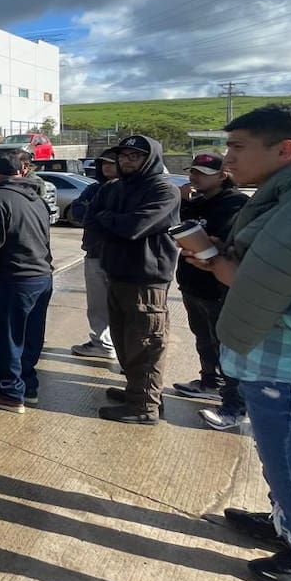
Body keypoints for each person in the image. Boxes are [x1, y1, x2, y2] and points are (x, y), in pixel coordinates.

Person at [182, 104, 291, 581]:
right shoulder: (284, 199)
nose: (226, 158)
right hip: (279, 378)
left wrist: (228, 272)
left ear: (285, 150)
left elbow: (288, 295)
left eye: (238, 147)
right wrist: (225, 257)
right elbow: (275, 266)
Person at [83, 134, 180, 425]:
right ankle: (137, 392)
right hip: (117, 273)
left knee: (146, 343)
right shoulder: (116, 188)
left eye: (134, 156)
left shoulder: (164, 190)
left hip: (146, 280)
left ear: (149, 159)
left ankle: (145, 407)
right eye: (123, 156)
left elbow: (135, 227)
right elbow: (87, 217)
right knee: (126, 343)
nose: (126, 161)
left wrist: (107, 219)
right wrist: (109, 219)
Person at [0, 151, 55, 413]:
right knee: (30, 337)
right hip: (40, 276)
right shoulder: (37, 198)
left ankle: (9, 392)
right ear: (21, 172)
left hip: (12, 279)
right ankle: (27, 387)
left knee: (6, 338)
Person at [170, 152, 248, 430]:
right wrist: (181, 201)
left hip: (219, 286)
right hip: (193, 284)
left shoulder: (234, 203)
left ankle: (234, 406)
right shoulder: (195, 202)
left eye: (202, 173)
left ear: (222, 175)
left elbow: (222, 239)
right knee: (203, 339)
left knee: (227, 348)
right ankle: (208, 382)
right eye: (193, 171)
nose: (194, 177)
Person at [69, 150, 119, 360]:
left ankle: (119, 344)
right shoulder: (93, 189)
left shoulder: (129, 190)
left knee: (121, 305)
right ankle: (102, 342)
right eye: (103, 163)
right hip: (94, 253)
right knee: (97, 303)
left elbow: (123, 221)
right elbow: (78, 211)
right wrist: (101, 215)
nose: (107, 167)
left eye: (111, 163)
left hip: (119, 256)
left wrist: (97, 214)